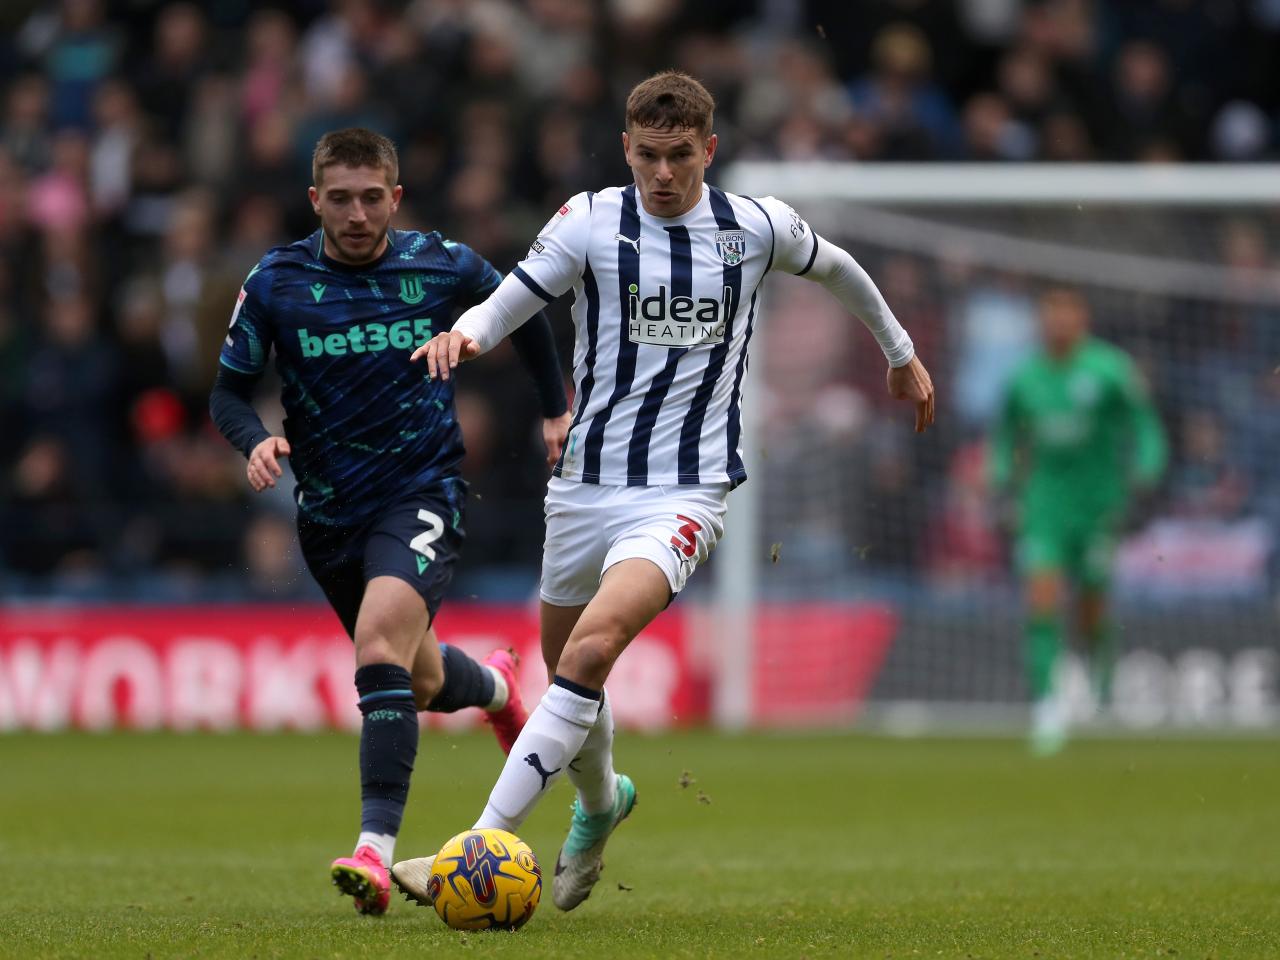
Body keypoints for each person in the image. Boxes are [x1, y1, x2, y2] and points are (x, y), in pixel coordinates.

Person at [388, 71, 935, 912]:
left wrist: (898, 352)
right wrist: (464, 335)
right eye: (649, 156)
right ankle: (603, 806)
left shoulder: (753, 227)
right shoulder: (589, 219)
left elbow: (840, 268)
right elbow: (514, 299)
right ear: (627, 150)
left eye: (681, 156)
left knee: (589, 653)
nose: (665, 174)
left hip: (686, 491)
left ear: (709, 150)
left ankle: (474, 846)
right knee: (566, 667)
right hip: (584, 485)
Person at [208, 128, 572, 915]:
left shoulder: (440, 263)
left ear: (395, 198)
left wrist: (555, 407)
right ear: (315, 201)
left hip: (422, 491)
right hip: (328, 512)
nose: (357, 213)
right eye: (340, 198)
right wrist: (256, 439)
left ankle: (373, 852)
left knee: (377, 646)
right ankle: (499, 688)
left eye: (372, 197)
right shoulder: (276, 281)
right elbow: (227, 392)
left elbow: (528, 311)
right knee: (418, 676)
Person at [990, 286, 1167, 756]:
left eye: (1066, 315)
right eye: (1050, 316)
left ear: (1082, 319)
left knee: (1091, 600)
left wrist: (1147, 466)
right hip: (1043, 507)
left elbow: (1145, 424)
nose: (1058, 324)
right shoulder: (1024, 379)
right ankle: (1048, 706)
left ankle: (1100, 673)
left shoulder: (1110, 370)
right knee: (1041, 601)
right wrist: (1001, 473)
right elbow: (1005, 435)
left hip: (1098, 508)